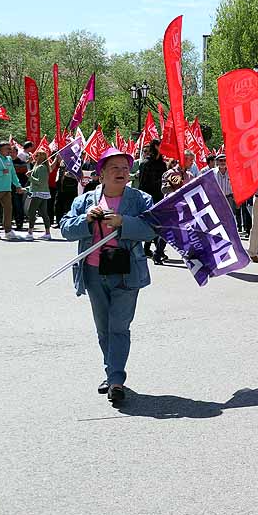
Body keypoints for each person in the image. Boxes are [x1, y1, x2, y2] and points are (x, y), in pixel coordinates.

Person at [60, 147, 156, 405]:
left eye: (125, 168)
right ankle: (110, 371)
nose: (122, 173)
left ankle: (116, 380)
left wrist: (124, 222)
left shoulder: (140, 200)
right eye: (115, 168)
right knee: (103, 329)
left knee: (119, 327)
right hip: (93, 272)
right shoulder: (84, 201)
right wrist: (85, 221)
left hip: (127, 271)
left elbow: (153, 229)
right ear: (101, 174)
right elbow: (66, 229)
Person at [136, 142, 167, 258]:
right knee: (151, 223)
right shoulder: (145, 163)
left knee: (159, 224)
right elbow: (142, 183)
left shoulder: (163, 164)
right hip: (148, 197)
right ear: (155, 147)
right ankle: (147, 248)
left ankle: (158, 249)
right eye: (160, 146)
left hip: (159, 197)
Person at [0, 141, 24, 239]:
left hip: (7, 189)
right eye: (8, 148)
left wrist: (18, 185)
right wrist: (1, 172)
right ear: (1, 149)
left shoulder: (9, 159)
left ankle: (8, 230)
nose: (10, 151)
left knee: (8, 209)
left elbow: (13, 174)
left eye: (10, 148)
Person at [23, 148, 54, 239]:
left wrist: (30, 177)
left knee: (31, 211)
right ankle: (47, 233)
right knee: (43, 213)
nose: (35, 157)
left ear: (41, 157)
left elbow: (40, 182)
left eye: (36, 155)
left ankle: (30, 232)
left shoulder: (41, 168)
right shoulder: (39, 166)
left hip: (38, 193)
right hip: (41, 192)